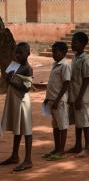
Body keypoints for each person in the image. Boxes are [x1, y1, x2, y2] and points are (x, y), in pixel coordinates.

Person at [0, 42, 33, 172]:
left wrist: (11, 81)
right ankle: (15, 155)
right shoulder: (15, 65)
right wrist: (7, 78)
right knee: (17, 128)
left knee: (27, 130)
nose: (18, 55)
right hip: (14, 100)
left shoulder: (27, 68)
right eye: (16, 53)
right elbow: (7, 80)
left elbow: (26, 88)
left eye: (21, 53)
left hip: (22, 102)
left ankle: (28, 160)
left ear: (28, 54)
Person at [42, 42, 71, 161]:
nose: (53, 54)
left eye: (56, 51)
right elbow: (52, 83)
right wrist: (47, 98)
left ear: (64, 53)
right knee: (55, 126)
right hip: (52, 100)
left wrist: (57, 99)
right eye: (52, 51)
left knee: (62, 126)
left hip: (59, 101)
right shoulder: (55, 64)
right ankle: (56, 148)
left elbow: (66, 83)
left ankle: (61, 151)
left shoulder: (65, 65)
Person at [67, 32, 89, 157]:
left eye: (75, 42)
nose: (72, 44)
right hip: (75, 94)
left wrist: (79, 98)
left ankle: (88, 146)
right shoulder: (75, 57)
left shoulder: (85, 59)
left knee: (84, 122)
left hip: (82, 97)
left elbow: (87, 79)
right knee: (78, 122)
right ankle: (78, 145)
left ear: (82, 44)